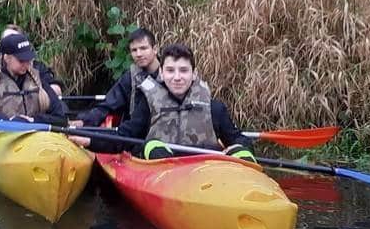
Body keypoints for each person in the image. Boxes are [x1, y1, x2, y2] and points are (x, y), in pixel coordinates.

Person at [71, 43, 254, 160]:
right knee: (153, 146)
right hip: (162, 173)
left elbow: (238, 137)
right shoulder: (148, 105)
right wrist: (89, 140)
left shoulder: (214, 108)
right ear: (161, 73)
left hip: (204, 171)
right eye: (170, 70)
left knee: (243, 152)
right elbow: (124, 137)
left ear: (194, 74)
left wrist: (241, 146)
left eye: (183, 70)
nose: (177, 77)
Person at [71, 27, 160, 128]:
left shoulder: (170, 74)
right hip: (135, 132)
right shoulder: (131, 76)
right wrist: (84, 121)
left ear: (155, 49)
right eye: (134, 50)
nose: (138, 54)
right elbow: (109, 104)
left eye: (143, 48)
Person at [0, 33, 67, 123]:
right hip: (3, 138)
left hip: (36, 138)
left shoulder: (40, 84)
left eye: (28, 59)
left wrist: (33, 120)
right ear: (7, 58)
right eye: (21, 60)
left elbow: (60, 118)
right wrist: (5, 121)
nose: (26, 63)